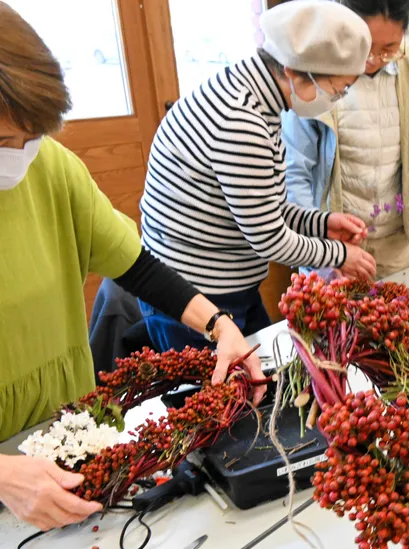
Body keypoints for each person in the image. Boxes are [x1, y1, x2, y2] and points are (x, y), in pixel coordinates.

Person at [0, 2, 265, 530]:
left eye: (33, 137)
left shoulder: (50, 167)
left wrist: (220, 325)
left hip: (68, 433)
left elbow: (139, 268)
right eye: (7, 142)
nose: (23, 155)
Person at [139, 0, 376, 354]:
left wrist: (322, 223)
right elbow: (268, 238)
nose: (335, 100)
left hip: (226, 283)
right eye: (337, 89)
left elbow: (267, 207)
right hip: (193, 299)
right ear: (299, 72)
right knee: (225, 402)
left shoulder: (254, 94)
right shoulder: (241, 121)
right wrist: (339, 254)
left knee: (265, 378)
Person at [284, 0, 409, 279]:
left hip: (394, 244)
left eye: (389, 48)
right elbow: (294, 174)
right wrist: (325, 257)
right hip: (331, 244)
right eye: (365, 44)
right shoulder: (315, 70)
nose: (373, 59)